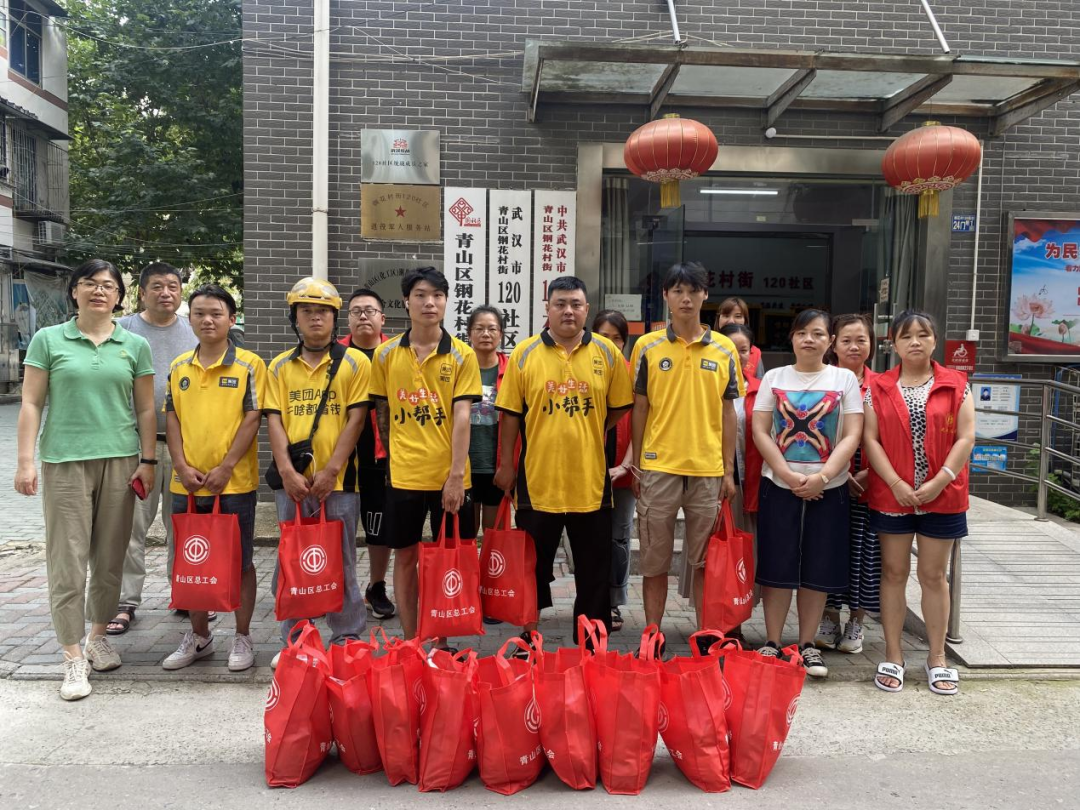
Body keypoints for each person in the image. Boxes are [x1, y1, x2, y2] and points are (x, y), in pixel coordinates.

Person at [14, 259, 157, 700]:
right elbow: (31, 402)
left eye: (108, 286)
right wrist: (25, 461)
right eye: (90, 284)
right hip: (65, 460)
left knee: (111, 556)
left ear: (119, 297)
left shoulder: (134, 344)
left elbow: (146, 409)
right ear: (74, 291)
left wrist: (148, 460)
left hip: (121, 460)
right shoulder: (49, 339)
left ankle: (98, 636)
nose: (99, 291)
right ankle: (72, 655)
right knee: (68, 559)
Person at [495, 276, 633, 649]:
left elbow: (618, 407)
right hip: (538, 482)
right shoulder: (525, 353)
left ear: (586, 309)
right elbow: (510, 415)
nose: (568, 311)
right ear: (548, 308)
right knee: (532, 569)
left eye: (575, 304)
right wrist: (506, 465)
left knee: (594, 570)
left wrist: (589, 429)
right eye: (560, 303)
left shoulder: (607, 353)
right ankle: (529, 637)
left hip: (591, 483)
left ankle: (591, 643)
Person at [630, 264, 744, 651]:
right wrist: (638, 464)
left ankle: (707, 636)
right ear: (665, 296)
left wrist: (728, 471)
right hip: (658, 467)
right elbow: (640, 407)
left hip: (707, 470)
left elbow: (729, 413)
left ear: (704, 295)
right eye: (677, 290)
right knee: (654, 560)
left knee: (704, 561)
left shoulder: (724, 349)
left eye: (693, 291)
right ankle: (652, 634)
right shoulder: (647, 347)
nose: (685, 298)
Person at [864, 310, 974, 695]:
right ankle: (894, 655)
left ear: (934, 341)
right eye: (906, 336)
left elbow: (966, 437)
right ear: (893, 343)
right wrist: (895, 483)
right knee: (894, 573)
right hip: (891, 495)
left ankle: (937, 657)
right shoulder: (878, 386)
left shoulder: (956, 384)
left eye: (923, 334)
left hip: (943, 495)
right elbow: (870, 439)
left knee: (933, 575)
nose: (915, 341)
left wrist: (940, 479)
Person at [370, 267, 481, 643]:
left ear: (446, 301)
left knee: (446, 558)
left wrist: (455, 477)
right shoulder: (386, 354)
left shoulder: (462, 355)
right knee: (405, 556)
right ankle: (411, 641)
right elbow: (383, 413)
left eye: (437, 295)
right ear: (406, 301)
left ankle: (441, 640)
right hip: (404, 477)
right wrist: (394, 460)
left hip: (450, 477)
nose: (429, 302)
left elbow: (463, 417)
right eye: (420, 295)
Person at [751, 309, 863, 679]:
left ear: (829, 341)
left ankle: (807, 644)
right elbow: (760, 430)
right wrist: (786, 473)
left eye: (817, 333)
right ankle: (772, 640)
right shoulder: (774, 377)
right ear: (793, 339)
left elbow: (852, 434)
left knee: (817, 565)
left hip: (829, 487)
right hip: (778, 484)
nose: (809, 339)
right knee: (777, 563)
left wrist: (824, 476)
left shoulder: (844, 379)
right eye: (802, 333)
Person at [162, 285, 266, 671]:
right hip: (187, 484)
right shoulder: (179, 367)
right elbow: (171, 417)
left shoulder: (249, 364)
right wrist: (180, 465)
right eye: (200, 313)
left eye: (216, 314)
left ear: (231, 319)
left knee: (240, 561)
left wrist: (226, 467)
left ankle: (243, 635)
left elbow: (253, 417)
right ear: (190, 319)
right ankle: (200, 636)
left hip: (234, 484)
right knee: (192, 561)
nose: (208, 320)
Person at [266, 278, 370, 664]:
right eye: (306, 310)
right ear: (294, 317)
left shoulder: (355, 363)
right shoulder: (279, 366)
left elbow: (356, 419)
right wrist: (286, 472)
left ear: (334, 317)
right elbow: (274, 419)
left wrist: (331, 470)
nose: (315, 317)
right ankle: (297, 640)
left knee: (342, 561)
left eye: (323, 311)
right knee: (292, 560)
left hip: (339, 482)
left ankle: (346, 638)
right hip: (292, 483)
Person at [109, 262, 196, 635]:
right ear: (142, 292)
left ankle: (184, 593)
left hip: (183, 447)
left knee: (181, 524)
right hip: (133, 446)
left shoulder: (194, 330)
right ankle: (125, 601)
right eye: (157, 286)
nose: (166, 293)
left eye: (173, 286)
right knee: (130, 526)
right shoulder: (122, 329)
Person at [816, 313, 880, 655]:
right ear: (833, 344)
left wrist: (870, 472)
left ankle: (857, 621)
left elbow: (891, 437)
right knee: (828, 550)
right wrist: (835, 472)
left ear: (872, 344)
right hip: (829, 481)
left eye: (861, 340)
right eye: (846, 340)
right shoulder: (822, 380)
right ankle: (829, 618)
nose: (854, 347)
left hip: (870, 484)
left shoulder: (883, 386)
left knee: (864, 554)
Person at [340, 288, 395, 620]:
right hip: (340, 456)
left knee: (378, 526)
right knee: (338, 527)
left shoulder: (394, 354)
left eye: (370, 310)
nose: (363, 316)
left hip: (380, 455)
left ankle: (376, 586)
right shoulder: (336, 354)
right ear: (347, 319)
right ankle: (335, 588)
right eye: (356, 311)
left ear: (382, 318)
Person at [592, 309, 633, 632]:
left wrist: (626, 465)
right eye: (603, 336)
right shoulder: (580, 369)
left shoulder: (633, 373)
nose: (610, 343)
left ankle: (613, 602)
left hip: (622, 470)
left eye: (616, 338)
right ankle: (591, 599)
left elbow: (644, 423)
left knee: (618, 537)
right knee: (589, 538)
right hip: (585, 472)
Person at [467, 305, 510, 535]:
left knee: (495, 536)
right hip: (464, 465)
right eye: (479, 328)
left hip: (497, 466)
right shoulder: (458, 369)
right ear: (469, 334)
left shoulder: (512, 370)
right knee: (466, 534)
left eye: (492, 329)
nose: (486, 334)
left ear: (501, 334)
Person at [715, 297, 764, 379]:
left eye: (738, 316)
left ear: (745, 321)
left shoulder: (755, 353)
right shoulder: (706, 346)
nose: (731, 321)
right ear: (718, 319)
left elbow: (759, 383)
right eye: (726, 316)